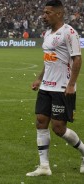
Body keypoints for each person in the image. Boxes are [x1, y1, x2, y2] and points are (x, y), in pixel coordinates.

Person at [26, 0, 84, 177]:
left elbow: (77, 59)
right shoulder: (47, 33)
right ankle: (44, 166)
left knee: (58, 128)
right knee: (41, 122)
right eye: (44, 12)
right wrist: (39, 78)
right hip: (46, 86)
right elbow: (49, 59)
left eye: (48, 13)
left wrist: (71, 84)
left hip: (62, 87)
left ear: (59, 14)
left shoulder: (69, 33)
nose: (44, 16)